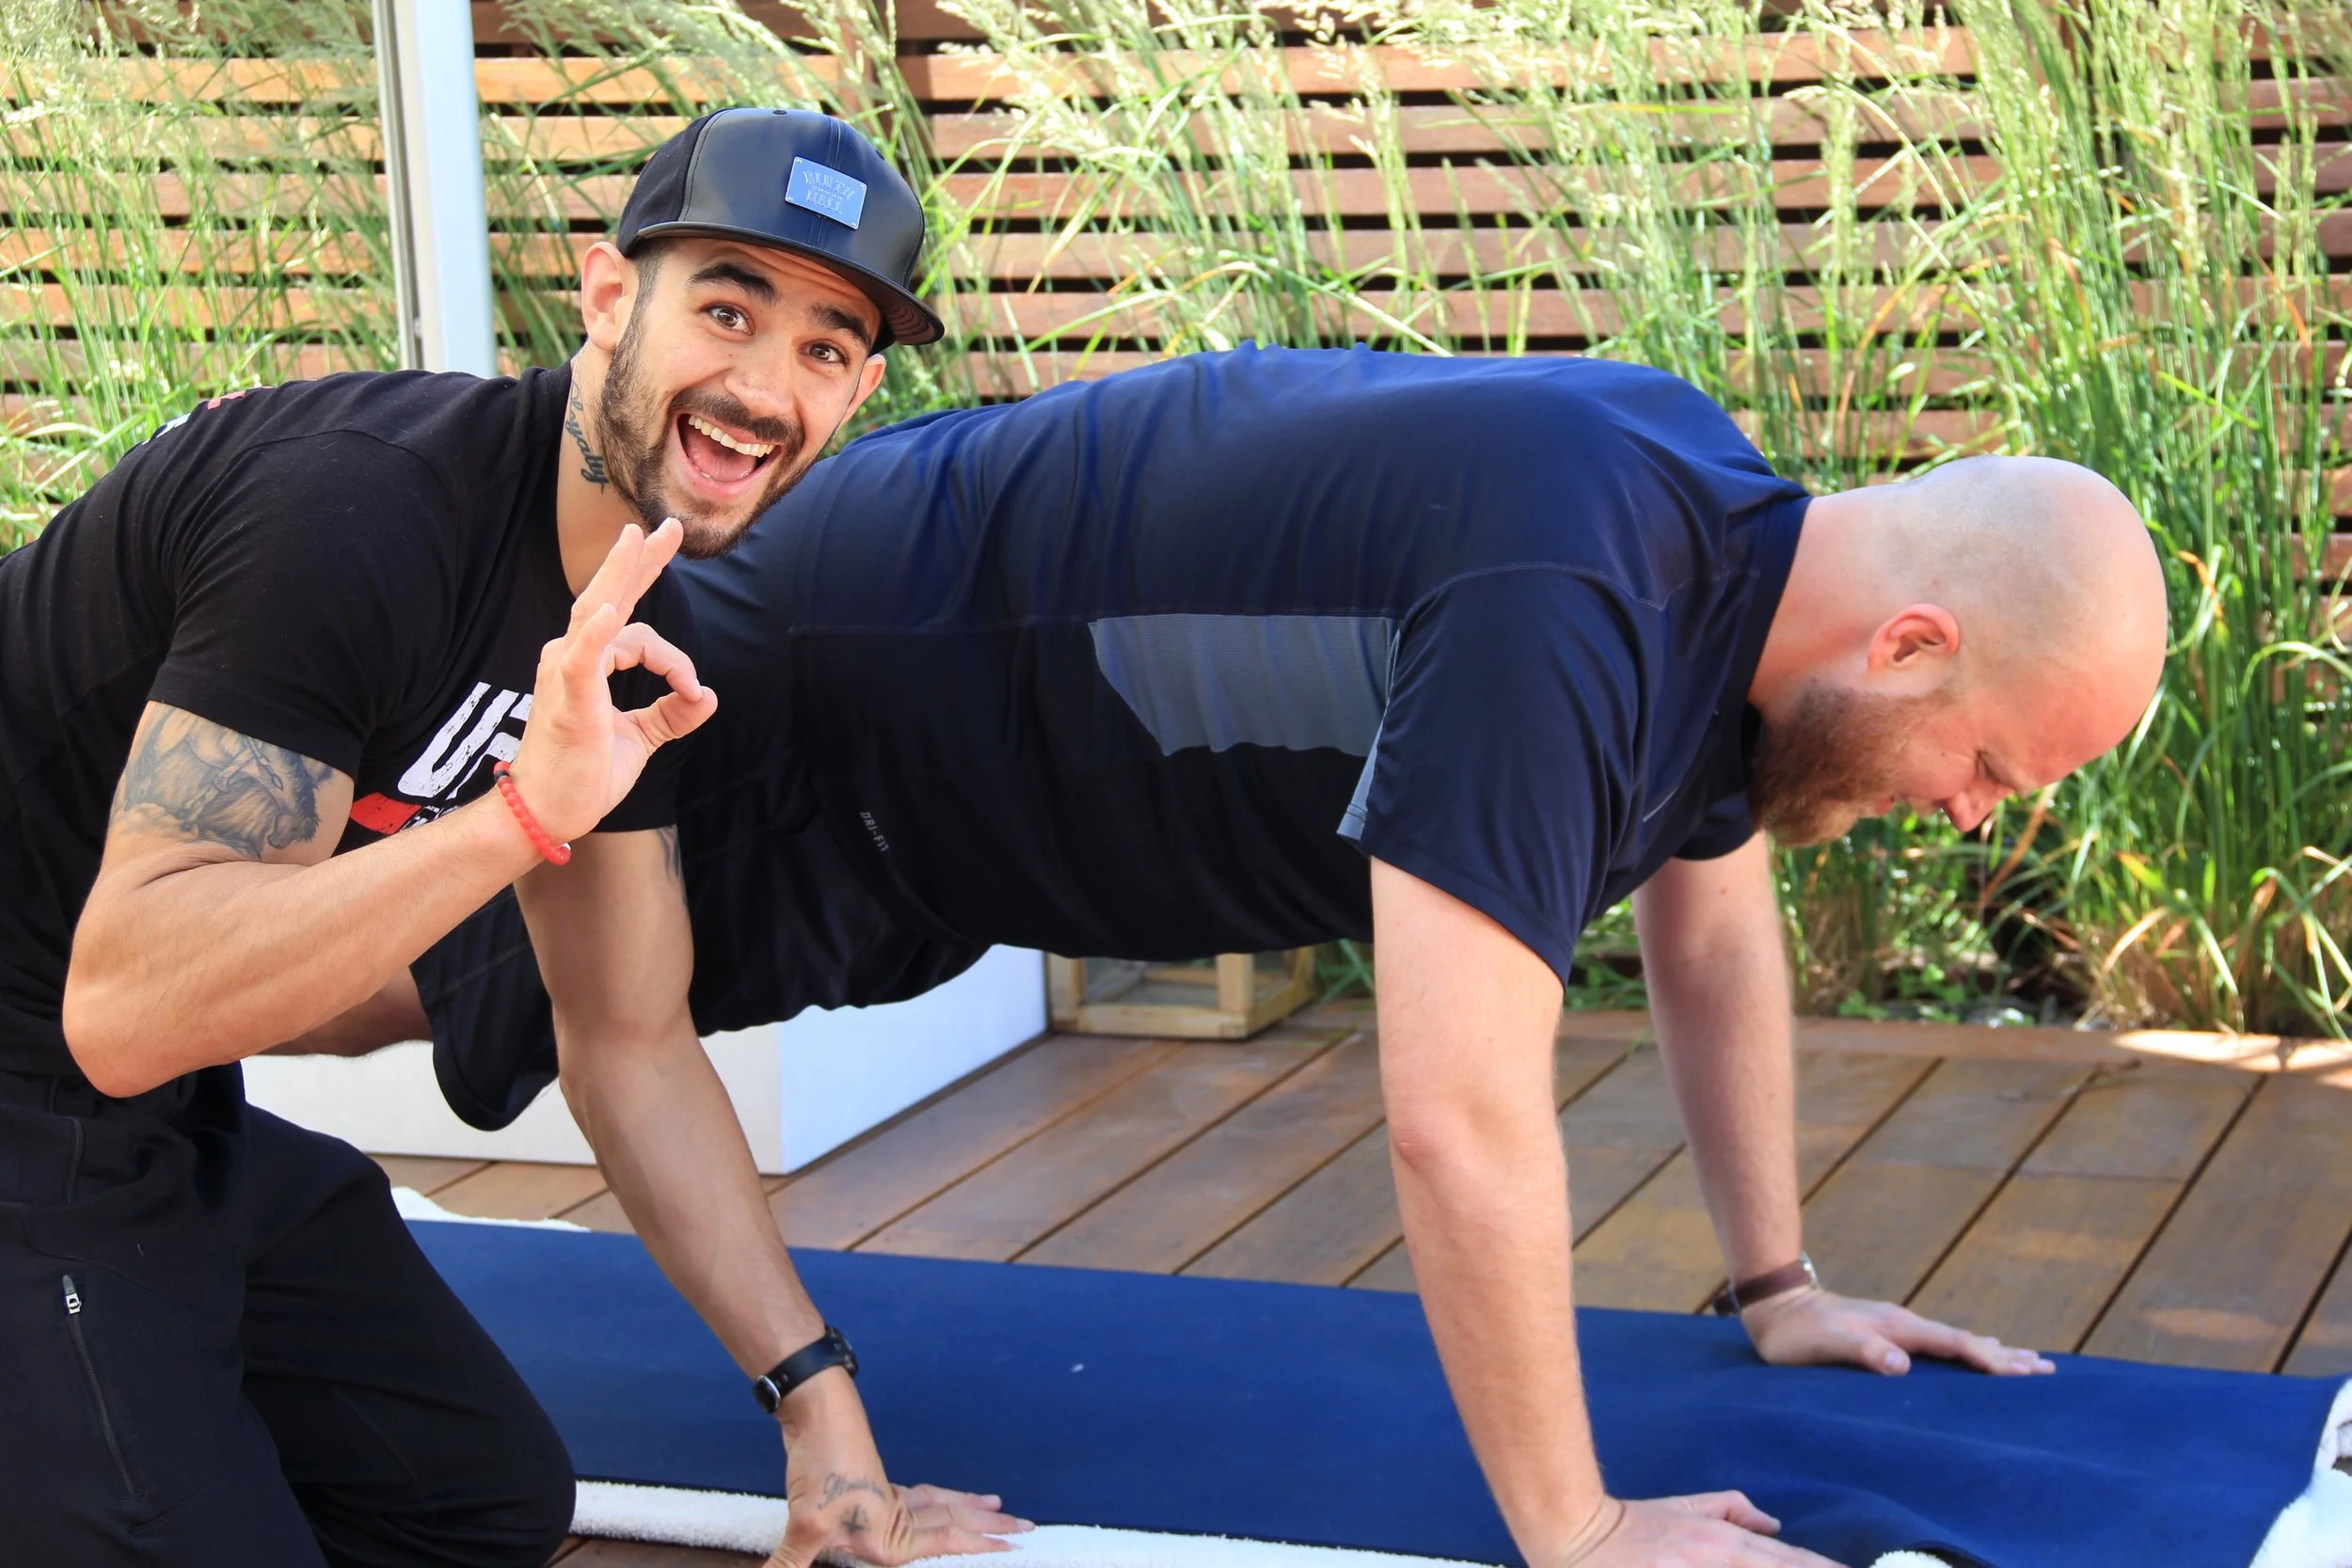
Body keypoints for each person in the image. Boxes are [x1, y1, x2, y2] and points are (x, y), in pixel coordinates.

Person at [405, 345, 2174, 1568]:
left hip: (978, 808)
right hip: (829, 716)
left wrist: (1778, 1283)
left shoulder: (1720, 553)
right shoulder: (1576, 602)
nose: (1963, 815)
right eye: (1990, 765)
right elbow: (1459, 1121)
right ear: (1917, 642)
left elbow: (1709, 921)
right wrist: (1578, 1526)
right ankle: (159, 997)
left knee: (462, 966)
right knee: (438, 971)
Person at [0, 107, 1018, 1568]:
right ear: (611, 299)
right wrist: (522, 816)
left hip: (146, 1110)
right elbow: (128, 1003)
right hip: (48, 1075)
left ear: (855, 390)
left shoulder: (626, 612)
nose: (760, 386)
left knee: (476, 1497)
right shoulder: (355, 516)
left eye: (823, 347)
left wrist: (824, 1417)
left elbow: (630, 1039)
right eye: (725, 308)